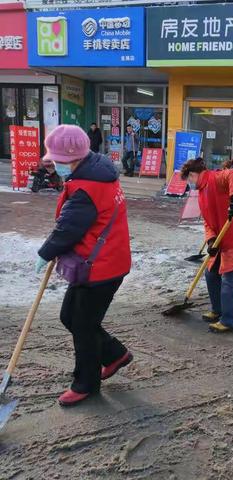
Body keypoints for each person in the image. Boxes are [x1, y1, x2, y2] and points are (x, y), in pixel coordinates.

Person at [35, 124, 132, 407]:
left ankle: (86, 383)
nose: (54, 165)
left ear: (74, 157)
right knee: (72, 317)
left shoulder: (87, 188)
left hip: (101, 267)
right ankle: (114, 354)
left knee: (82, 325)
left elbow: (68, 229)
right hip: (101, 260)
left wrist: (46, 253)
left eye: (57, 160)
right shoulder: (96, 171)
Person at [180, 157, 233, 333]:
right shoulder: (201, 193)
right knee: (210, 273)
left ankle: (229, 320)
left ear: (193, 174)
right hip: (221, 239)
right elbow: (208, 222)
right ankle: (218, 310)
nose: (189, 184)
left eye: (189, 180)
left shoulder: (215, 178)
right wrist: (210, 240)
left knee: (229, 278)